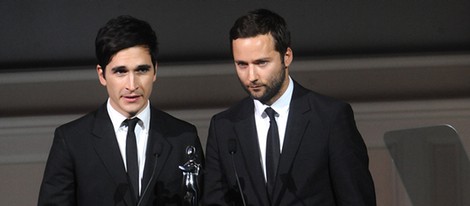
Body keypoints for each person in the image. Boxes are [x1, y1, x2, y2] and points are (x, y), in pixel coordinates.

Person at [203, 9, 376, 206]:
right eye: (242, 65)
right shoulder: (224, 126)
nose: (251, 76)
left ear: (287, 57)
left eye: (261, 63)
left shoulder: (330, 117)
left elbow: (356, 199)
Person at [38, 15, 204, 206]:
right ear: (102, 75)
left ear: (155, 71)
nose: (132, 85)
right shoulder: (72, 141)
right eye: (120, 72)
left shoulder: (183, 137)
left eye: (141, 70)